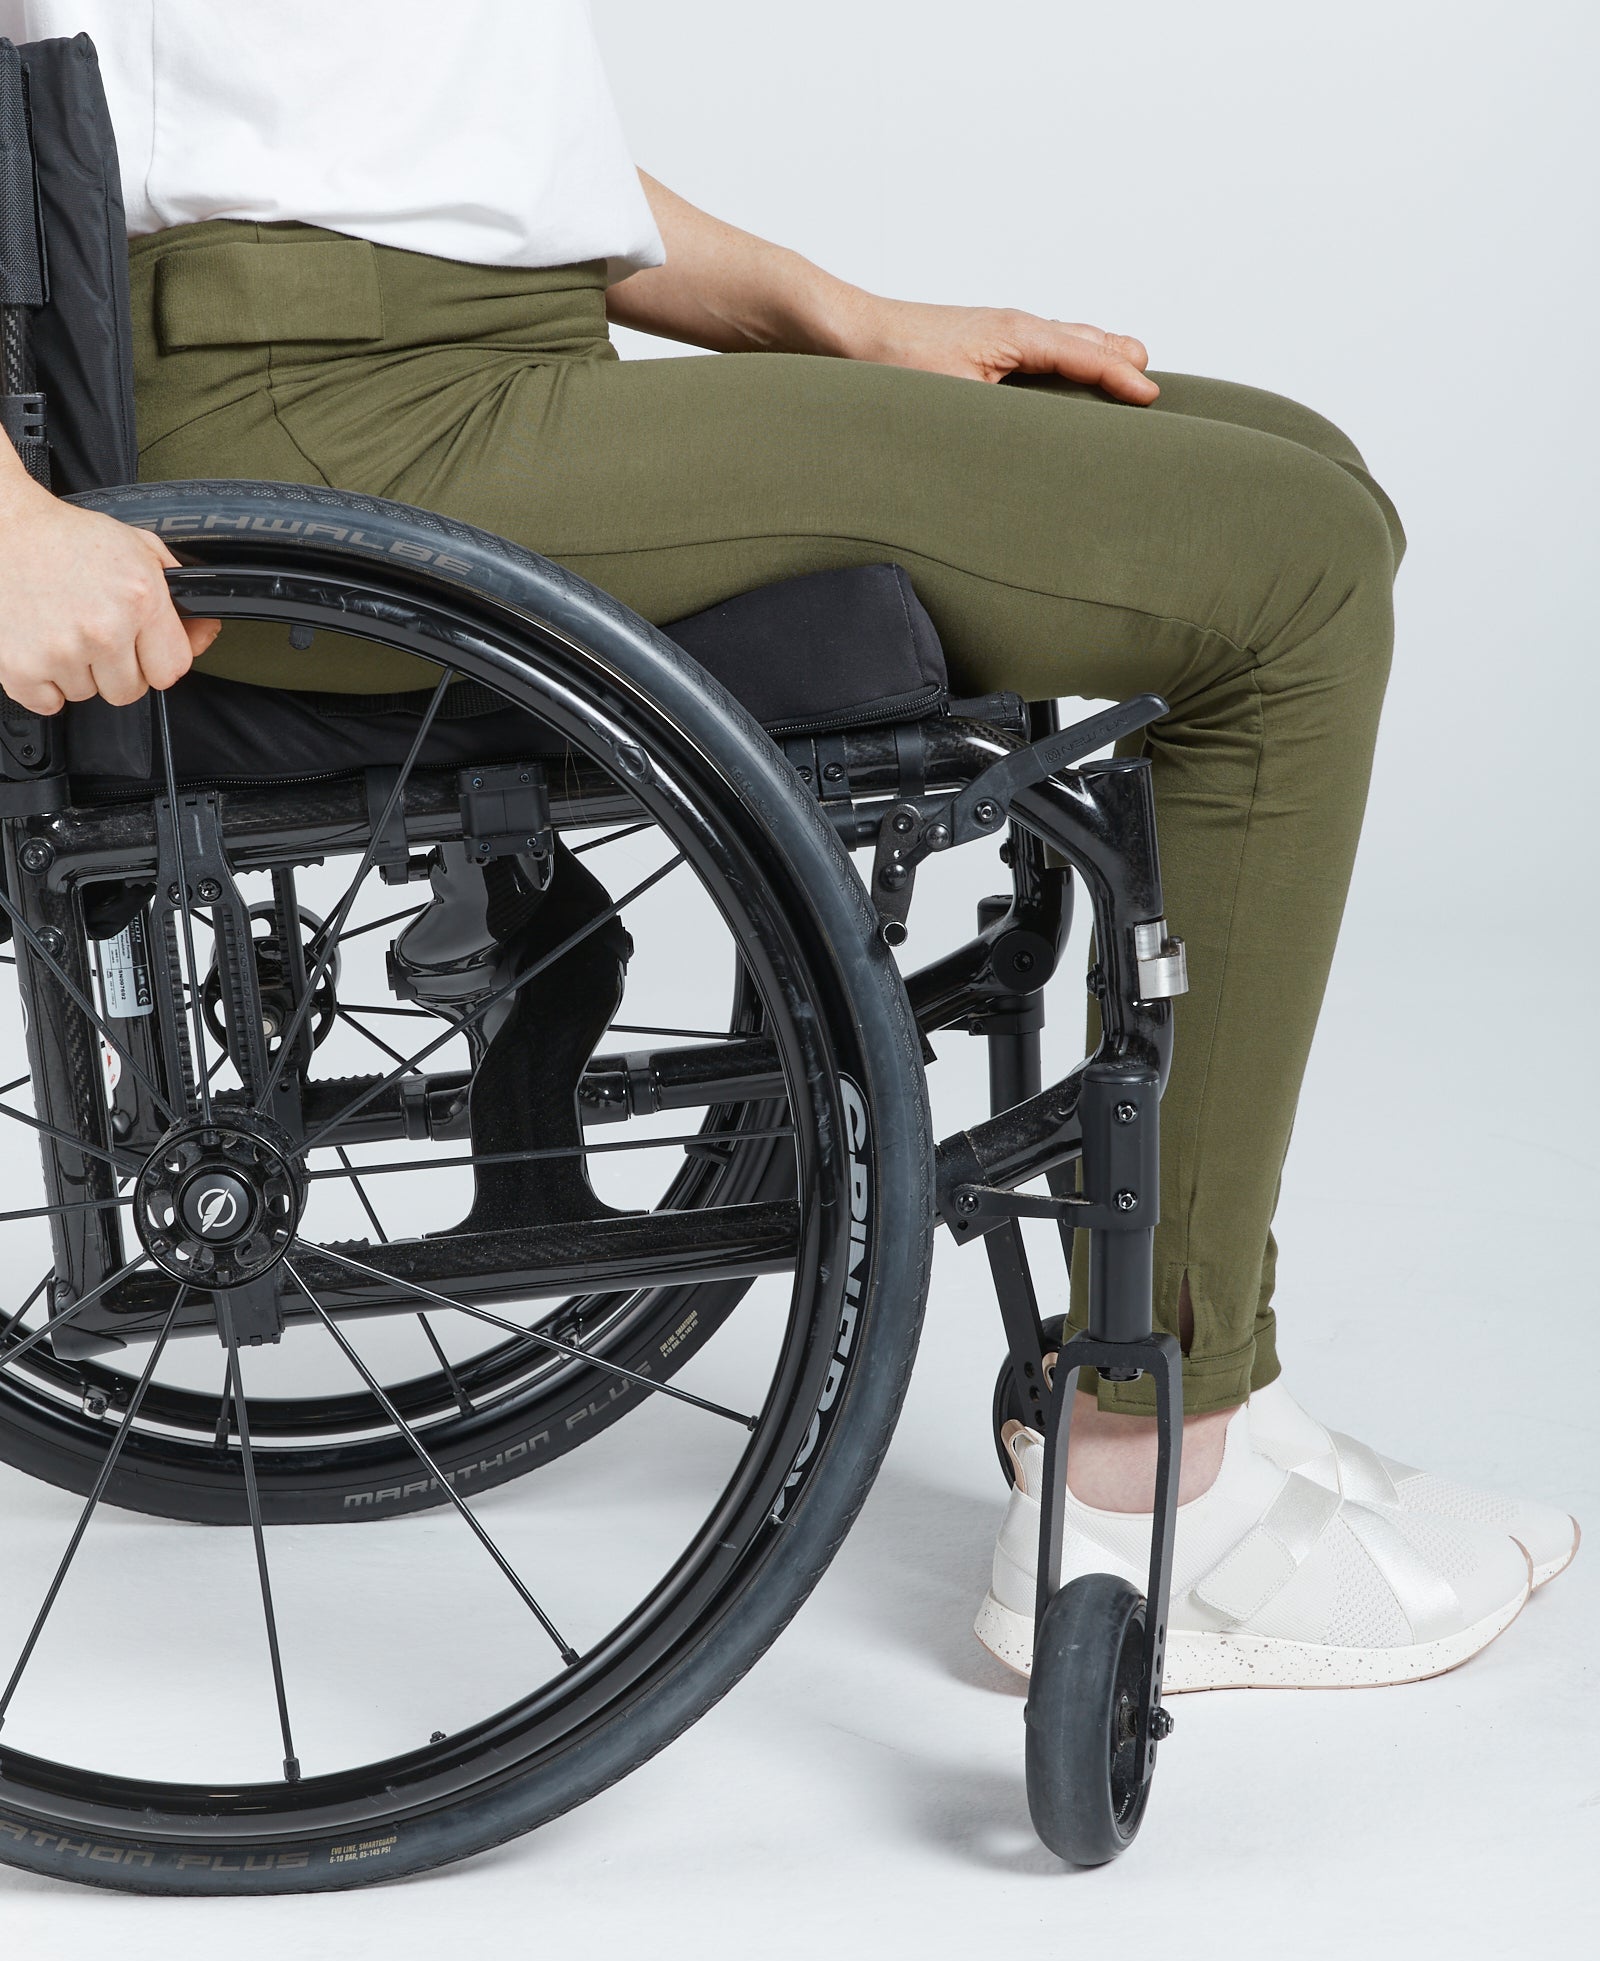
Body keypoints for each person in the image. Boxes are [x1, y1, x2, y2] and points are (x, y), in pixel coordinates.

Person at [0, 2, 1575, 1693]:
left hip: (472, 360)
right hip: (331, 416)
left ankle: (1174, 1390)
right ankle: (1163, 1472)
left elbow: (429, 143)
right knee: (1291, 565)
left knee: (1289, 463)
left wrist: (822, 311)